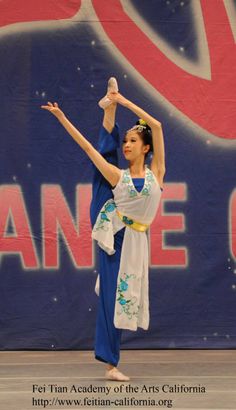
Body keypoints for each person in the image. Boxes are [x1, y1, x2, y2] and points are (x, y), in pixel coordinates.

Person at [41, 77, 165, 381]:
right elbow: (86, 148)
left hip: (138, 239)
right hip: (115, 234)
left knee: (127, 298)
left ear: (146, 147)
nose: (127, 145)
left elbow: (158, 126)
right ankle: (111, 364)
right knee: (112, 298)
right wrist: (62, 118)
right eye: (126, 141)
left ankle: (109, 106)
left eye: (133, 141)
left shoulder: (157, 172)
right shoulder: (118, 176)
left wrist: (124, 102)